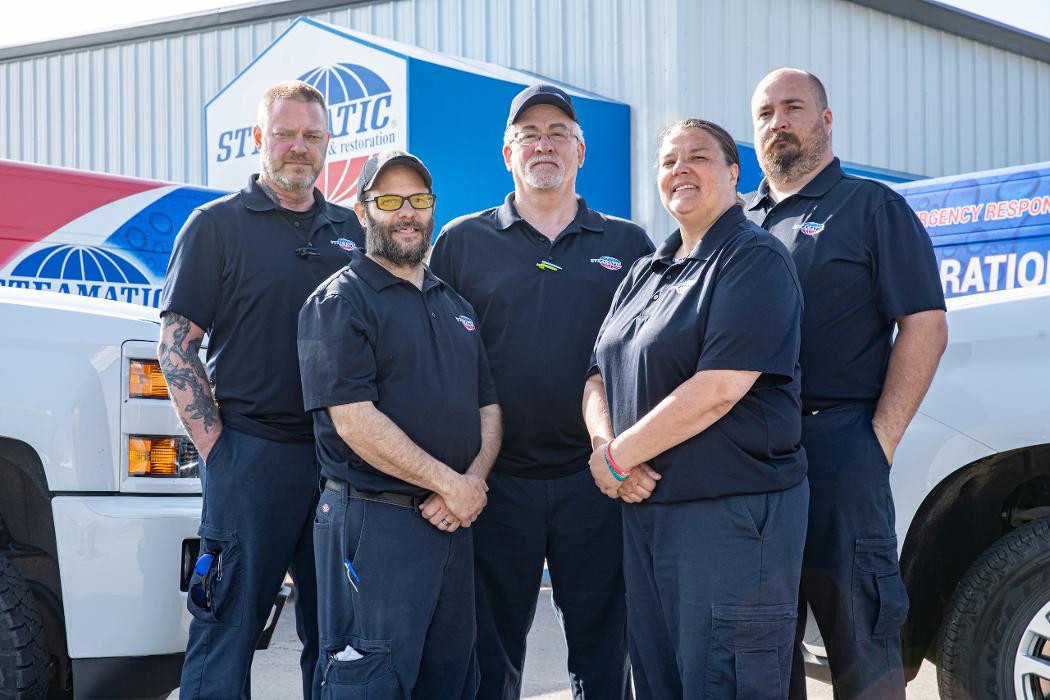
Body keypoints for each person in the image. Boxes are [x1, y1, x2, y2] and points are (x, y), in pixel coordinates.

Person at [429, 84, 654, 699]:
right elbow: (435, 360)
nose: (544, 145)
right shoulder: (461, 242)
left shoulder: (628, 245)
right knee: (488, 654)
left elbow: (652, 359)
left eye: (558, 133)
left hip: (598, 481)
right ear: (508, 154)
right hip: (496, 484)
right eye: (529, 135)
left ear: (581, 151)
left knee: (604, 652)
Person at [584, 118, 809, 700]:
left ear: (734, 173)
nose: (680, 169)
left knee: (725, 682)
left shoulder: (753, 258)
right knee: (658, 681)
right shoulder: (645, 269)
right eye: (668, 161)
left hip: (727, 517)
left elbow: (720, 387)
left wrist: (618, 459)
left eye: (699, 157)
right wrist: (605, 450)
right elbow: (596, 373)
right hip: (646, 514)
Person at [745, 68, 948, 700]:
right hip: (747, 458)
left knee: (861, 641)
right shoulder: (736, 219)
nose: (778, 122)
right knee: (759, 644)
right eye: (765, 113)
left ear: (826, 120)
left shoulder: (871, 207)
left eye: (793, 107)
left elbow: (925, 325)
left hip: (839, 450)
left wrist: (876, 442)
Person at [158, 80, 364, 699]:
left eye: (312, 135)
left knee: (340, 636)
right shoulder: (216, 225)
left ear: (327, 143)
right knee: (226, 626)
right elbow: (176, 347)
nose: (298, 146)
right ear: (258, 138)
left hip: (340, 462)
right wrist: (219, 452)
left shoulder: (352, 231)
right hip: (251, 458)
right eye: (284, 134)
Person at [297, 149, 501, 697]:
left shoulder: (455, 305)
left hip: (452, 524)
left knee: (450, 678)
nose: (407, 212)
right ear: (362, 212)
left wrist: (470, 484)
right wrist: (450, 484)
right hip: (373, 523)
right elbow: (354, 421)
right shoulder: (340, 301)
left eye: (418, 200)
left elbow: (488, 408)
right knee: (368, 680)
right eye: (389, 200)